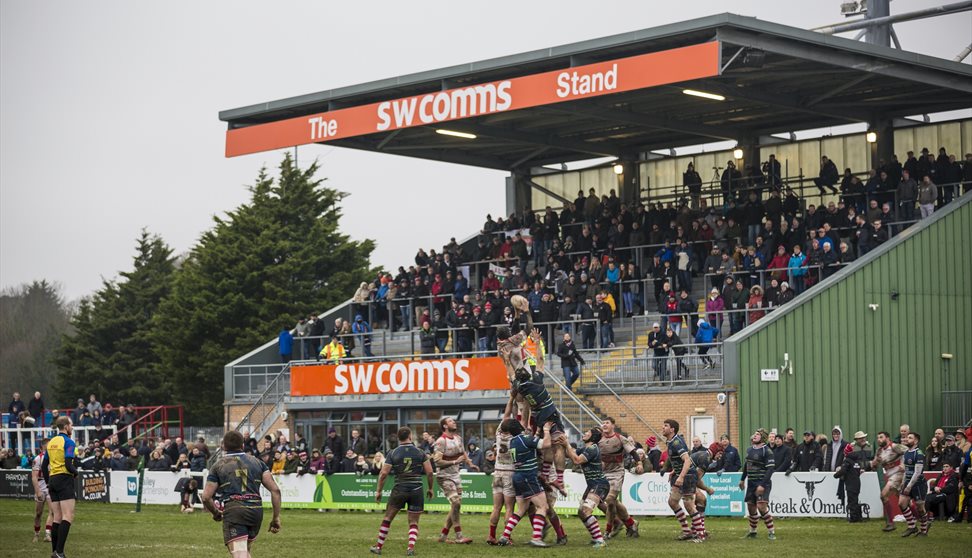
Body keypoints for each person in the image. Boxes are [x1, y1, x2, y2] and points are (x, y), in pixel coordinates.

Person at [202, 431, 281, 558]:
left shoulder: (218, 465)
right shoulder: (258, 463)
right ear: (243, 445)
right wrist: (276, 518)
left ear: (224, 446)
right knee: (245, 551)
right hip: (256, 511)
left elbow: (206, 497)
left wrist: (216, 513)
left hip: (235, 510)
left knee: (239, 554)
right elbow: (275, 490)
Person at [370, 427, 433, 556]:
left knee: (388, 518)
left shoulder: (393, 453)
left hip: (400, 488)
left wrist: (378, 491)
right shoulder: (420, 452)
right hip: (416, 489)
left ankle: (379, 547)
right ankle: (410, 548)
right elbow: (430, 472)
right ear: (410, 436)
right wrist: (430, 488)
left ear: (398, 438)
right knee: (414, 522)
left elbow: (383, 474)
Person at [496, 418, 554, 547]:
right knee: (543, 507)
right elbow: (546, 444)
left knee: (521, 509)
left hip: (518, 476)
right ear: (518, 426)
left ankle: (505, 536)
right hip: (528, 476)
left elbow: (530, 445)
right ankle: (536, 538)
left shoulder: (512, 441)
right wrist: (546, 430)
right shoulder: (525, 439)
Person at [560, 427, 608, 548]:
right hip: (593, 485)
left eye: (588, 432)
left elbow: (576, 460)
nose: (584, 433)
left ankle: (600, 541)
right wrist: (562, 445)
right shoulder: (586, 448)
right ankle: (596, 537)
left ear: (592, 437)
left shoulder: (592, 449)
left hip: (599, 484)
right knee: (581, 512)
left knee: (586, 511)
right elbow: (570, 453)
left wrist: (566, 444)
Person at [661, 419, 704, 542]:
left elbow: (687, 460)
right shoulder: (670, 441)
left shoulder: (676, 442)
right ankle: (687, 531)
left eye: (666, 426)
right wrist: (675, 471)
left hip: (688, 476)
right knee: (672, 502)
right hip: (680, 474)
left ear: (672, 429)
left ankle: (700, 536)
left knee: (689, 505)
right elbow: (678, 460)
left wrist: (681, 477)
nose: (663, 427)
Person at [433, 417, 473, 544]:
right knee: (456, 503)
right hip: (444, 476)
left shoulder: (458, 438)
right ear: (445, 426)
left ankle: (443, 536)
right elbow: (437, 461)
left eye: (453, 421)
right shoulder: (441, 441)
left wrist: (469, 463)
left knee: (455, 506)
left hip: (456, 475)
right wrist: (455, 461)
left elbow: (463, 453)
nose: (454, 422)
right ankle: (459, 536)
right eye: (450, 421)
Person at [41, 416, 77, 558]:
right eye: (71, 425)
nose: (72, 428)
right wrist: (76, 472)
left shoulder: (51, 442)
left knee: (57, 517)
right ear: (66, 426)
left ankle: (55, 552)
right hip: (64, 479)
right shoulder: (68, 442)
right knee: (68, 516)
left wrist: (48, 481)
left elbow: (44, 466)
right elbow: (68, 465)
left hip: (53, 480)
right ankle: (60, 553)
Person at [598, 418, 639, 539]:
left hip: (617, 473)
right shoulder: (598, 439)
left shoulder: (620, 438)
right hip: (603, 473)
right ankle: (630, 523)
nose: (604, 424)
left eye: (607, 423)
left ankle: (608, 530)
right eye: (603, 423)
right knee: (602, 501)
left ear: (613, 426)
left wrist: (640, 464)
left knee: (610, 499)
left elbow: (633, 452)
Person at [739, 429, 776, 539]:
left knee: (761, 507)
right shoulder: (749, 450)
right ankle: (753, 532)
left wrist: (762, 485)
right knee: (751, 507)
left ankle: (771, 532)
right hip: (751, 483)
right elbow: (746, 465)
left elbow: (770, 469)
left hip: (762, 483)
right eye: (754, 434)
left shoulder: (767, 451)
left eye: (758, 434)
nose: (754, 436)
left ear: (763, 438)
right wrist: (742, 479)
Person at [899, 432, 929, 537]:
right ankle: (912, 527)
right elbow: (907, 470)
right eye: (907, 437)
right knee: (902, 503)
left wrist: (909, 486)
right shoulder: (906, 452)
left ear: (916, 441)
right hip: (907, 482)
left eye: (910, 438)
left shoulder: (919, 454)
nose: (907, 439)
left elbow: (917, 473)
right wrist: (903, 482)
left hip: (918, 484)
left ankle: (924, 530)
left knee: (920, 508)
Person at [31, 438, 53, 543]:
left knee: (52, 511)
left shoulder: (53, 458)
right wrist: (38, 491)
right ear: (43, 446)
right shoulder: (38, 459)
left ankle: (48, 534)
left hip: (50, 487)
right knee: (38, 513)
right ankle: (36, 533)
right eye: (48, 445)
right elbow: (34, 477)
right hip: (41, 487)